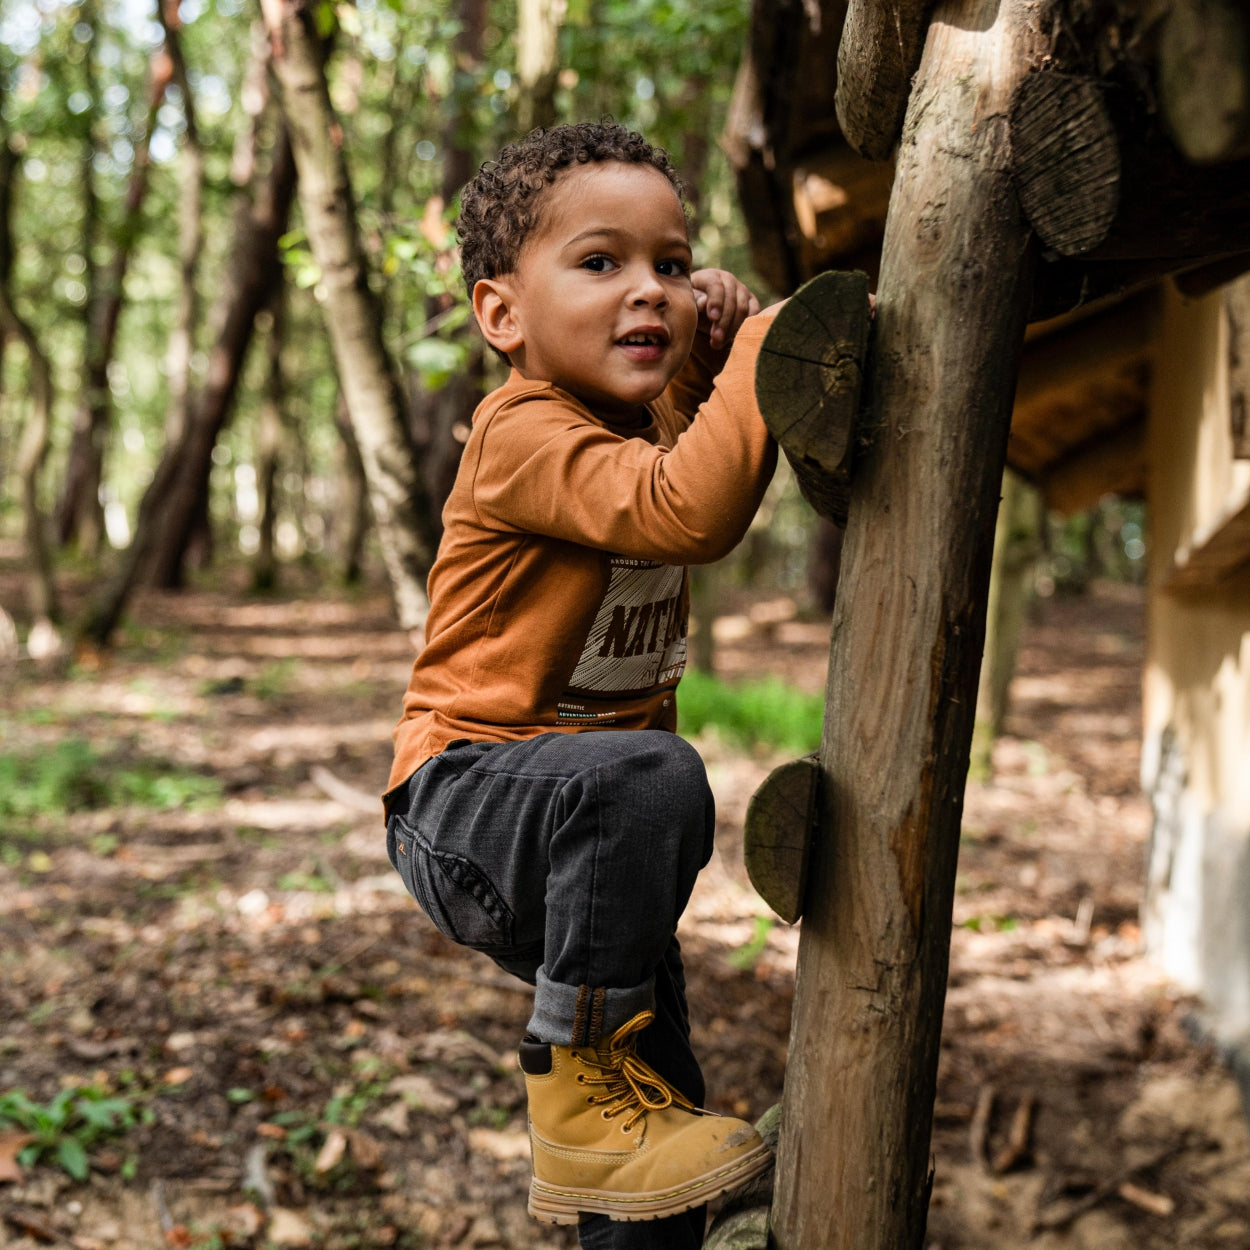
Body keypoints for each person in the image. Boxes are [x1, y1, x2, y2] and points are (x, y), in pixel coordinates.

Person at [383, 121, 779, 1250]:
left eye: (668, 261)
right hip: (462, 797)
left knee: (657, 1146)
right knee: (651, 777)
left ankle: (602, 1137)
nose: (646, 289)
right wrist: (759, 351)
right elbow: (683, 505)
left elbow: (697, 438)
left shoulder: (632, 418)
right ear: (501, 312)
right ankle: (568, 1091)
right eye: (600, 263)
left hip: (580, 832)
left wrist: (716, 339)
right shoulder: (521, 432)